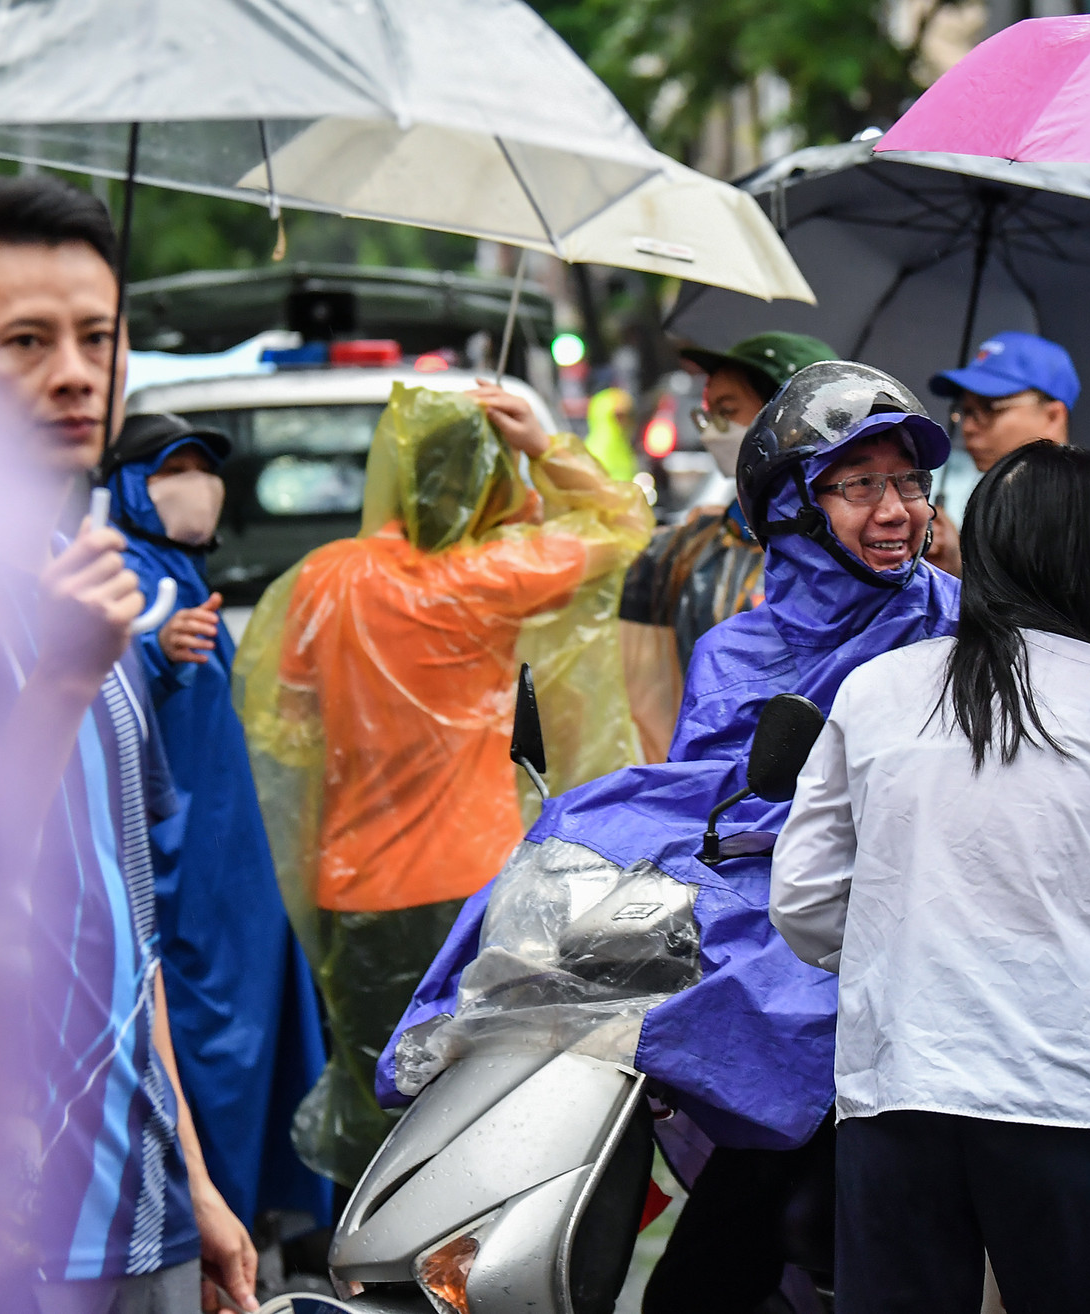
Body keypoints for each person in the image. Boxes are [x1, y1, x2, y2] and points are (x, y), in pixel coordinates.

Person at [382, 361, 961, 1314]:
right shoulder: (735, 653)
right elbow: (706, 814)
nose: (896, 510)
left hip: (893, 986)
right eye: (861, 486)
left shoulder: (955, 632)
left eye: (907, 483)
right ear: (795, 508)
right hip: (764, 964)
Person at [0, 174, 258, 1312]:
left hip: (137, 1204)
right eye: (24, 338)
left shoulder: (92, 587)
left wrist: (196, 1181)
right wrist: (62, 674)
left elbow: (122, 919)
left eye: (97, 336)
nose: (72, 370)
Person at [771, 440, 1090, 1314]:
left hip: (895, 1093)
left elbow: (806, 900)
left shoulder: (875, 689)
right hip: (1068, 1103)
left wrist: (908, 945)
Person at [236, 381, 652, 1186]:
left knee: (374, 1093)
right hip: (471, 890)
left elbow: (288, 721)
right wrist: (542, 444)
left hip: (350, 888)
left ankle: (364, 1273)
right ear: (494, 485)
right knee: (469, 1100)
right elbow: (625, 523)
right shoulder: (491, 579)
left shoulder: (327, 578)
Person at [101, 413, 332, 1235]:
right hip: (182, 884)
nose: (196, 485)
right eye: (174, 469)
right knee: (209, 1061)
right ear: (130, 486)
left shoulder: (183, 576)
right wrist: (156, 655)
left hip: (238, 879)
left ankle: (251, 1227)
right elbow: (94, 681)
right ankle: (207, 1231)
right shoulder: (125, 580)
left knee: (260, 1055)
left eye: (204, 467)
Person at [620, 331, 835, 760]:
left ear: (791, 413)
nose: (713, 431)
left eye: (728, 411)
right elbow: (653, 703)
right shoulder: (689, 549)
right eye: (707, 415)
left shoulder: (861, 552)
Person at [925, 330, 1079, 531]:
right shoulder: (1001, 504)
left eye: (990, 407)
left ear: (1053, 417)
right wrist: (955, 561)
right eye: (966, 410)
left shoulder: (1084, 513)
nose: (968, 427)